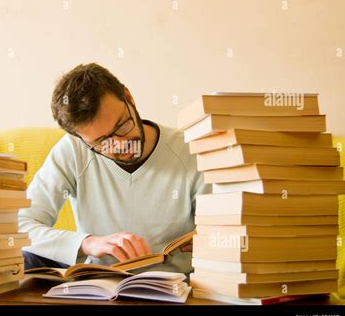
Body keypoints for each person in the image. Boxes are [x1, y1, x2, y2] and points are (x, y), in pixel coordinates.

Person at [18, 63, 209, 273]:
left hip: (178, 288)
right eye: (101, 141)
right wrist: (87, 243)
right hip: (99, 287)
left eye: (122, 126)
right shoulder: (72, 150)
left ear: (129, 98)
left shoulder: (191, 150)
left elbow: (229, 231)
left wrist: (209, 243)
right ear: (79, 138)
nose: (120, 145)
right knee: (26, 259)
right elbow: (20, 226)